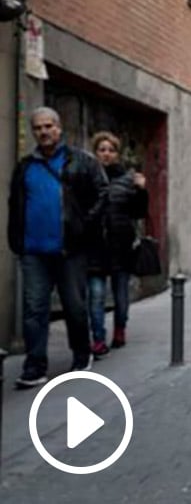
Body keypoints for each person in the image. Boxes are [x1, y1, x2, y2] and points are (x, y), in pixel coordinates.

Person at [7, 107, 107, 387]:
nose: (44, 132)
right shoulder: (25, 166)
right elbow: (15, 204)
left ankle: (81, 354)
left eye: (49, 126)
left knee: (74, 306)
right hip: (33, 251)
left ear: (59, 128)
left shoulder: (81, 162)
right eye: (38, 127)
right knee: (34, 309)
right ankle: (34, 366)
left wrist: (83, 226)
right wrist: (17, 241)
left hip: (70, 250)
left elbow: (102, 193)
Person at [87, 131, 148, 355]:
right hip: (94, 246)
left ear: (117, 154)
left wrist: (141, 190)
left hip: (120, 246)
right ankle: (98, 339)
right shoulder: (87, 178)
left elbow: (139, 212)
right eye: (102, 150)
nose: (106, 154)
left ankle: (120, 329)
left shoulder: (127, 179)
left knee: (121, 294)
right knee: (96, 295)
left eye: (111, 150)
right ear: (95, 153)